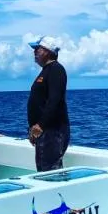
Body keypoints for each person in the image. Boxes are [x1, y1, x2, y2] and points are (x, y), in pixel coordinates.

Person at [26, 35, 70, 171]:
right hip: (44, 131)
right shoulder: (46, 71)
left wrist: (40, 125)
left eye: (37, 49)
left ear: (47, 51)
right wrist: (34, 128)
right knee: (44, 170)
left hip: (52, 131)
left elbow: (54, 100)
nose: (34, 52)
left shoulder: (56, 69)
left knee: (50, 172)